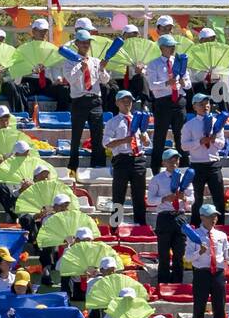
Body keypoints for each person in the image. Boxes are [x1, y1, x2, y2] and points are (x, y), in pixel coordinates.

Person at [59, 28, 110, 177]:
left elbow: (105, 80)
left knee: (97, 135)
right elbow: (71, 79)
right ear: (76, 44)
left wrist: (102, 69)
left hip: (95, 100)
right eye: (82, 42)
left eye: (87, 42)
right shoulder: (69, 62)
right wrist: (81, 69)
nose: (85, 45)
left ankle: (98, 165)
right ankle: (73, 167)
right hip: (79, 100)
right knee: (76, 136)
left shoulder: (95, 61)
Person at [185, 203, 229, 318]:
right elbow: (187, 258)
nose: (214, 218)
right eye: (210, 216)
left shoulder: (221, 235)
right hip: (201, 273)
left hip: (217, 273)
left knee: (220, 309)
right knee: (199, 309)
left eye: (215, 216)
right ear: (202, 217)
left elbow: (225, 256)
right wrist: (200, 252)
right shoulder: (194, 235)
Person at [145, 34, 191, 174]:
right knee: (160, 136)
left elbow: (188, 84)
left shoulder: (179, 62)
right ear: (161, 48)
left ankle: (183, 166)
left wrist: (184, 82)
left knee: (181, 136)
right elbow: (152, 85)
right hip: (163, 102)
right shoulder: (154, 64)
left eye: (173, 46)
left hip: (179, 100)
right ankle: (156, 168)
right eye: (169, 46)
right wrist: (166, 83)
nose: (172, 49)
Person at [103, 90, 149, 225]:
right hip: (122, 159)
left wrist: (144, 139)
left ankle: (141, 225)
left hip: (138, 159)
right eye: (123, 100)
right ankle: (115, 226)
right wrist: (124, 140)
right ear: (117, 103)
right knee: (118, 196)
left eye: (129, 100)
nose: (127, 103)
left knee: (139, 196)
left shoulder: (138, 119)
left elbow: (146, 143)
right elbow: (106, 143)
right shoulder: (112, 122)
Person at [148, 148, 193, 283]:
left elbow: (193, 198)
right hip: (164, 216)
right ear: (164, 163)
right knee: (164, 254)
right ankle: (163, 282)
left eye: (176, 159)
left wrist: (184, 198)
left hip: (180, 216)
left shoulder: (185, 178)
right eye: (170, 160)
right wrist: (164, 199)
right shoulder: (157, 179)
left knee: (179, 253)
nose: (174, 162)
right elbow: (150, 199)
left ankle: (177, 282)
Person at [181, 94, 227, 225]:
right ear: (194, 106)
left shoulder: (216, 122)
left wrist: (214, 140)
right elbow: (184, 146)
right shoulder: (189, 125)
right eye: (201, 104)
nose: (205, 106)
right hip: (197, 165)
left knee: (218, 198)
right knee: (197, 199)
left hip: (213, 164)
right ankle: (195, 224)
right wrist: (199, 141)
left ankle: (220, 225)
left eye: (207, 104)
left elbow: (222, 143)